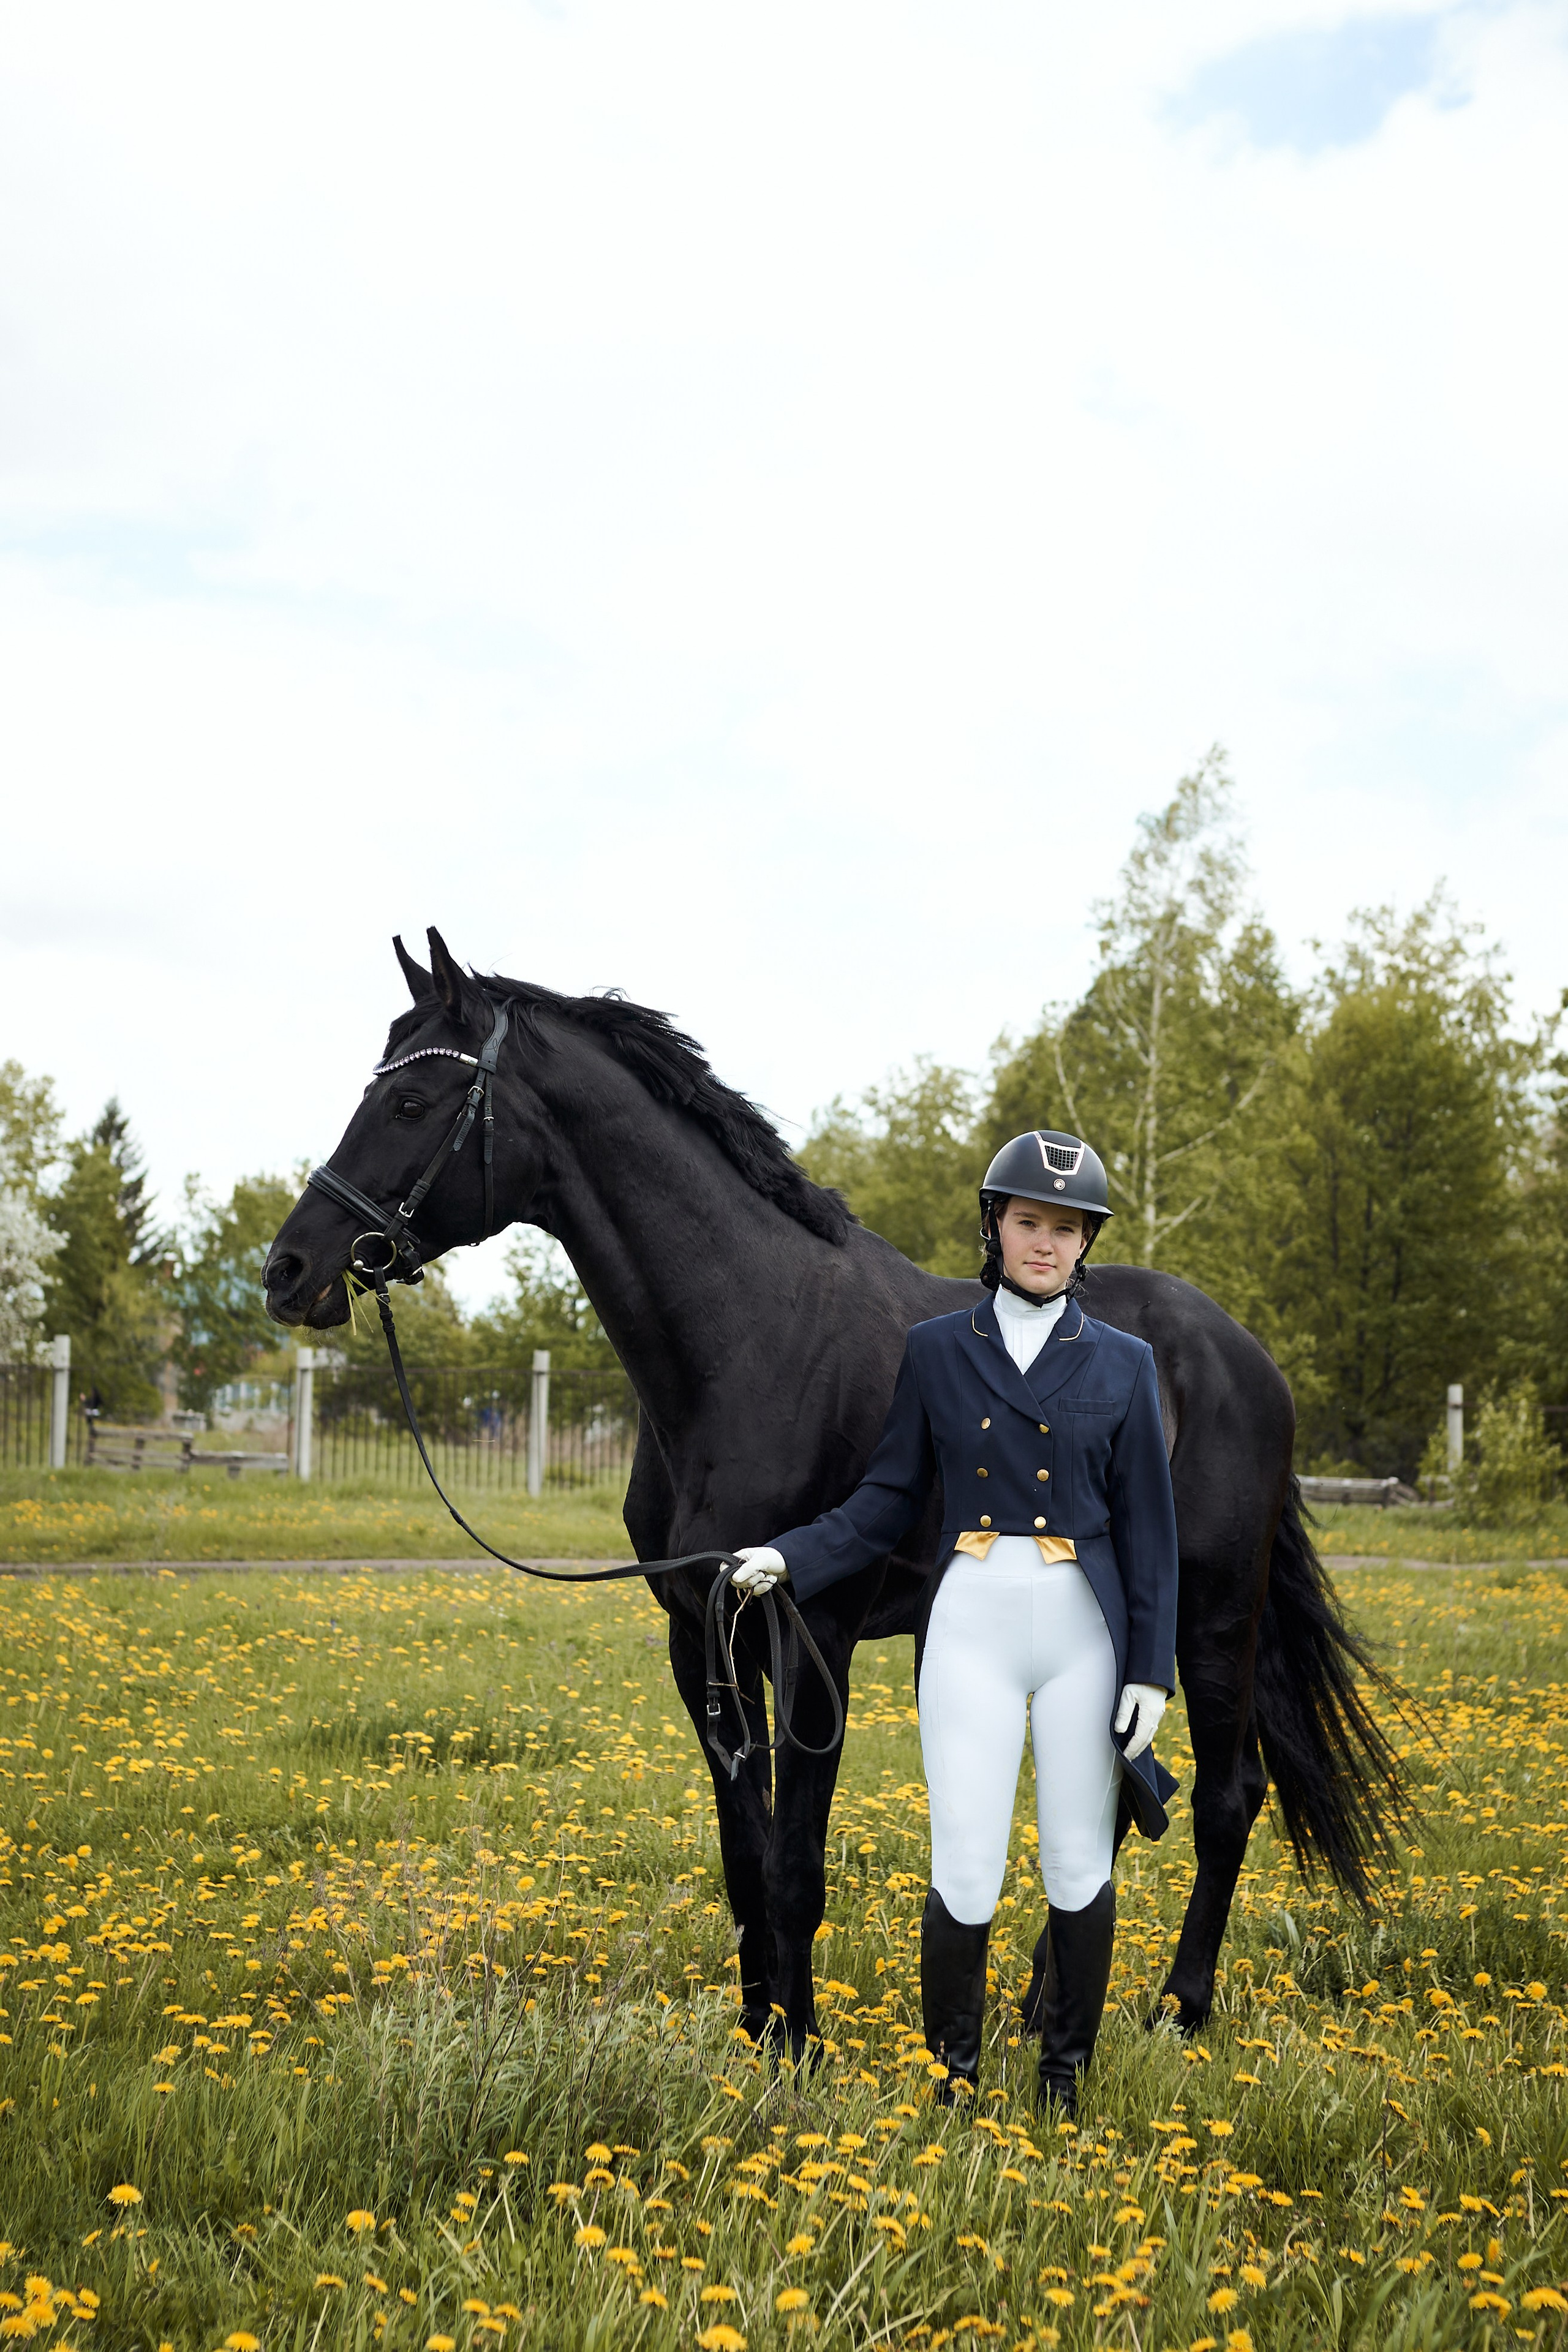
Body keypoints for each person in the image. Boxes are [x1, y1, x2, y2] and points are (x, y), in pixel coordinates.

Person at [733, 1129, 1179, 2114]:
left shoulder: (1127, 1362)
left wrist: (1152, 1669)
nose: (1046, 1244)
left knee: (1074, 1862)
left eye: (1067, 1230)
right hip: (970, 1624)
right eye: (1030, 1222)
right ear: (996, 1226)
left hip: (1084, 1638)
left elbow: (1152, 1530)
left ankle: (1063, 2077)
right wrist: (791, 1556)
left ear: (1084, 1244)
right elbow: (888, 1498)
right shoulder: (936, 1351)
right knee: (967, 1864)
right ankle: (956, 2078)